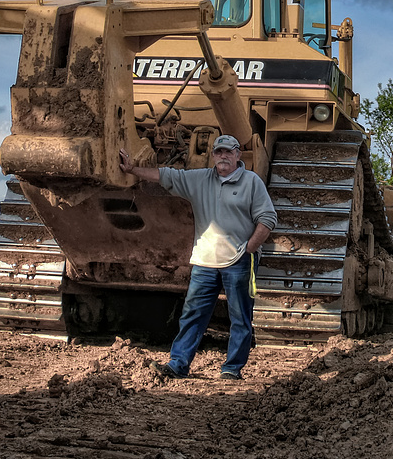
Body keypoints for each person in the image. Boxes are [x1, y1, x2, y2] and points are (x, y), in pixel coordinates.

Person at [119, 134, 277, 380]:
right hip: (204, 260)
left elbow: (267, 218)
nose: (223, 156)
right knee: (192, 314)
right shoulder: (200, 179)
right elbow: (166, 175)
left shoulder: (251, 182)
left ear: (237, 155)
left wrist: (249, 248)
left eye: (228, 152)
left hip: (238, 261)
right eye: (219, 152)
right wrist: (132, 169)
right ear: (213, 155)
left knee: (240, 317)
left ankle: (232, 369)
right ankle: (178, 364)